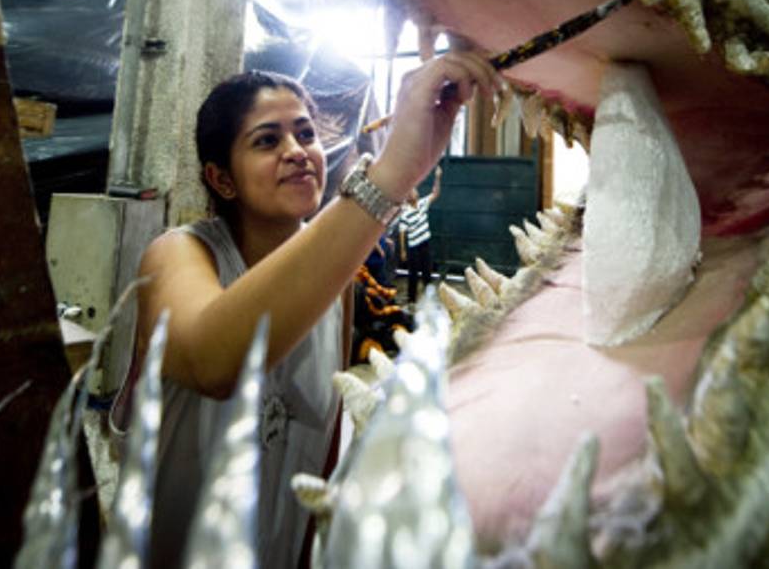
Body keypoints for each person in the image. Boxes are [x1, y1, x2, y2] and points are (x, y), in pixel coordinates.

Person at [114, 53, 500, 568]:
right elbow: (213, 361)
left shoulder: (334, 285)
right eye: (267, 140)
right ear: (221, 179)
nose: (298, 152)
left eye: (306, 134)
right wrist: (387, 176)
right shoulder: (177, 255)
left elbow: (317, 444)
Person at [398, 165, 442, 304]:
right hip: (413, 248)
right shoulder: (404, 212)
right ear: (407, 197)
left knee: (427, 273)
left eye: (414, 190)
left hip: (425, 244)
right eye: (410, 192)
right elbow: (402, 232)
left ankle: (429, 298)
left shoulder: (423, 203)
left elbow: (435, 193)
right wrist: (403, 250)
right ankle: (412, 300)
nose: (413, 192)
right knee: (413, 275)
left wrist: (437, 177)